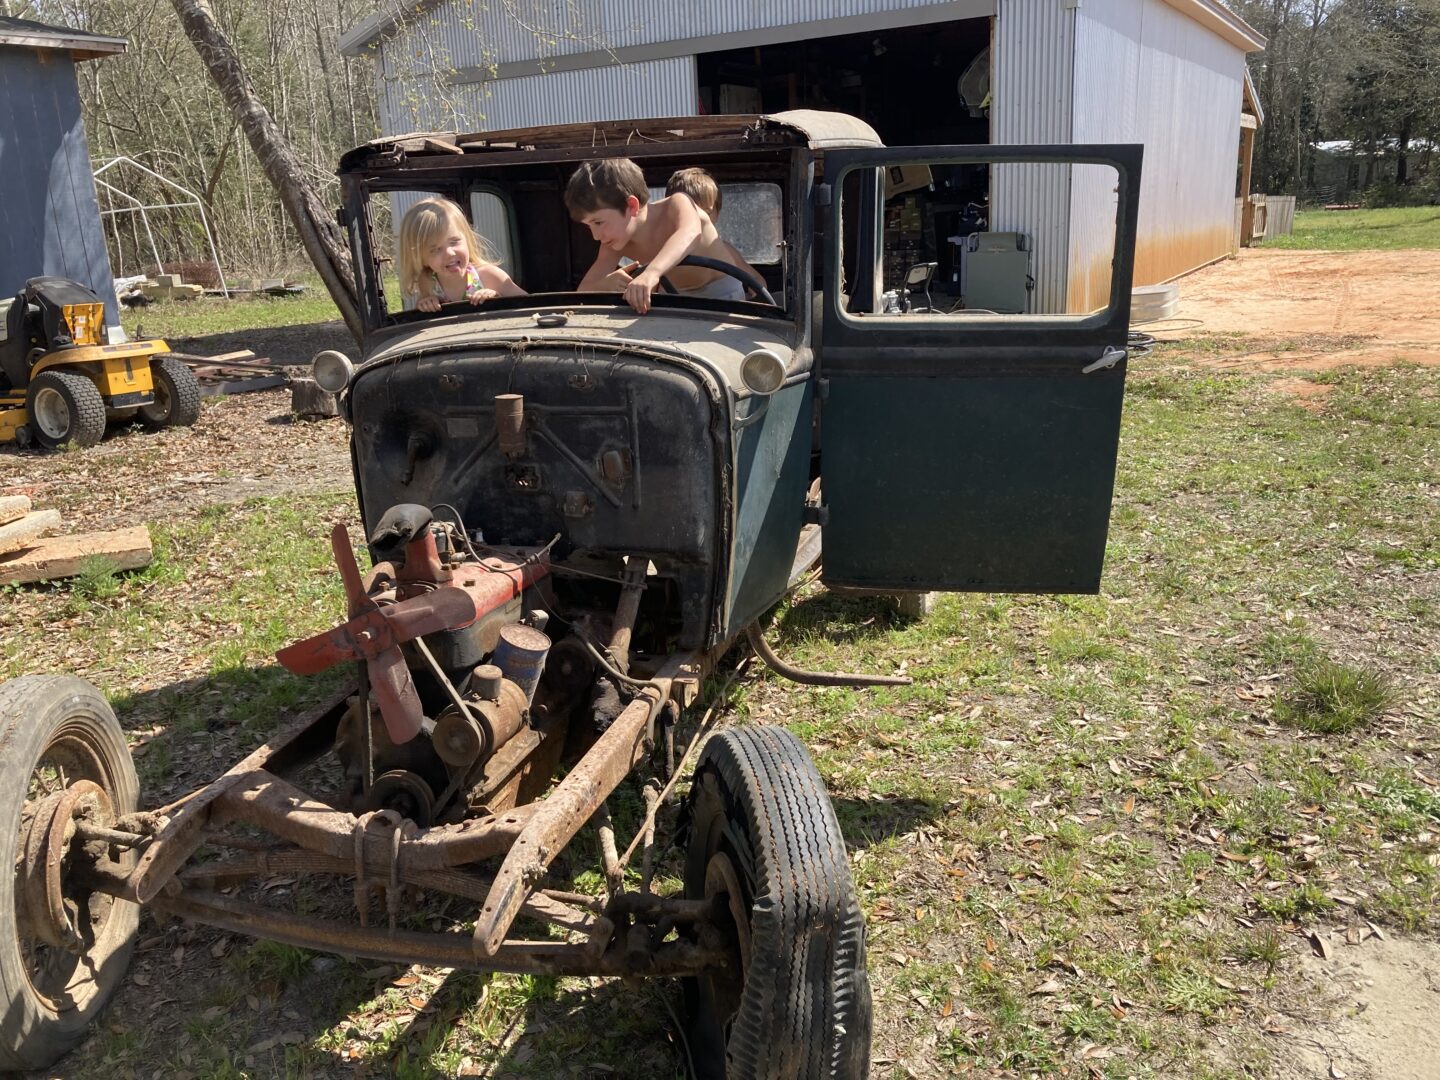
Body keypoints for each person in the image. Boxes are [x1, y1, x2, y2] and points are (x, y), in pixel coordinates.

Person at [565, 158, 750, 314]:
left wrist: (651, 274)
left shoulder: (677, 204)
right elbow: (582, 292)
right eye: (588, 226)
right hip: (674, 301)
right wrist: (605, 285)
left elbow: (690, 233)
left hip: (724, 296)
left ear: (632, 206)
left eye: (598, 223)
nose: (596, 236)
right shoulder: (613, 243)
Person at [398, 197, 525, 313]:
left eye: (454, 241)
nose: (450, 253)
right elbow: (420, 324)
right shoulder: (428, 283)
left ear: (467, 239)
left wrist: (497, 299)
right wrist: (425, 304)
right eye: (435, 249)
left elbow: (529, 306)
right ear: (421, 258)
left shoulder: (489, 276)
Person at [665, 167, 764, 289]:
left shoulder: (726, 251)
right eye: (687, 213)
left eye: (706, 212)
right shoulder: (661, 254)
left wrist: (749, 299)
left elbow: (758, 282)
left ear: (718, 213)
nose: (698, 220)